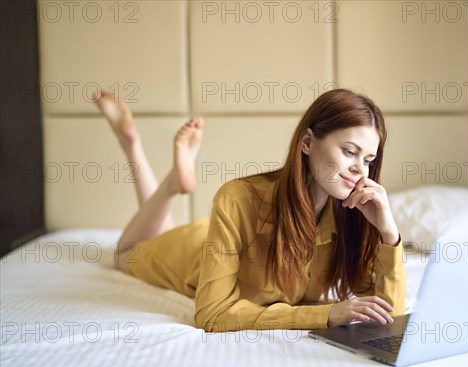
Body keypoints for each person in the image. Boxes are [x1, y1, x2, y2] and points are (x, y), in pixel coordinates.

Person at [93, 88, 406, 332]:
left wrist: (389, 235)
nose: (358, 170)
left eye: (367, 160)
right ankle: (132, 145)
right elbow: (212, 314)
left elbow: (386, 314)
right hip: (191, 251)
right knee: (126, 254)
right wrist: (324, 314)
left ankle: (174, 181)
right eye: (349, 151)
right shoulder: (237, 199)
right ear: (307, 142)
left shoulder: (352, 214)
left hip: (220, 237)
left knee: (155, 228)